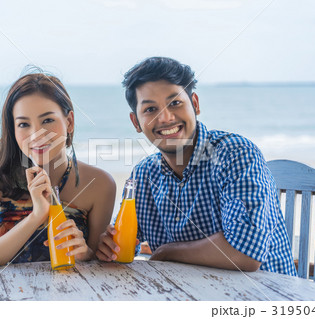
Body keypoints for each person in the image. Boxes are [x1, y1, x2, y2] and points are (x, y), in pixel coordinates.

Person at [96, 57, 297, 275]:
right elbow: (127, 241)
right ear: (136, 122)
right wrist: (109, 246)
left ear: (196, 104)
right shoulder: (145, 173)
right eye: (150, 109)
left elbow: (246, 254)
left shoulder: (235, 154)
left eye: (175, 103)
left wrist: (167, 252)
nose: (165, 118)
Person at [0, 72, 116, 268]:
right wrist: (37, 215)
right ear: (13, 130)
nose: (36, 134)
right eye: (23, 124)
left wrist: (85, 253)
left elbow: (98, 264)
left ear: (69, 122)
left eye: (47, 121)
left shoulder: (100, 184)